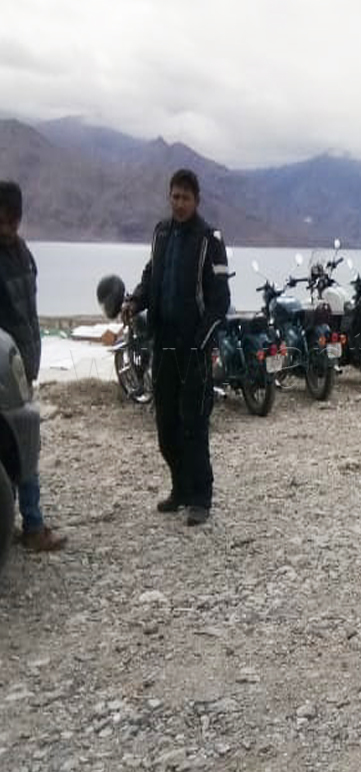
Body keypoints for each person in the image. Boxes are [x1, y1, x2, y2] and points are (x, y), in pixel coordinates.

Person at [121, 170, 230, 526]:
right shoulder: (161, 233)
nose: (179, 203)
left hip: (195, 349)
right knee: (166, 424)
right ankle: (180, 488)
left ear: (197, 200)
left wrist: (202, 341)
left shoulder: (210, 239)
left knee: (194, 424)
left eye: (185, 197)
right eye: (175, 196)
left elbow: (220, 300)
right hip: (164, 343)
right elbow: (152, 274)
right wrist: (136, 301)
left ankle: (201, 496)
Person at [0, 181, 65, 552]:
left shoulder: (23, 253)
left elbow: (30, 310)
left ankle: (21, 521)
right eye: (2, 219)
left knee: (23, 447)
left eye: (13, 219)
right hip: (4, 368)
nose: (7, 227)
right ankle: (32, 525)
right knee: (21, 448)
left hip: (22, 365)